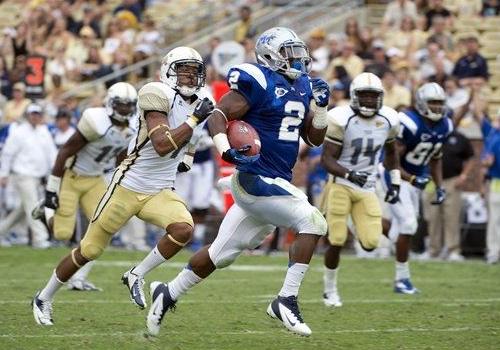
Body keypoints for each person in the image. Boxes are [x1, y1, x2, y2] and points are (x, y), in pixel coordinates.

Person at [144, 27, 330, 337]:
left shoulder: (304, 86)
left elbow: (312, 138)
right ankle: (286, 299)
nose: (297, 58)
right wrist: (225, 150)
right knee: (314, 222)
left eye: (298, 51)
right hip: (255, 179)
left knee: (220, 255)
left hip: (274, 183)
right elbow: (218, 114)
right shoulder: (256, 80)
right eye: (289, 52)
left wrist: (322, 109)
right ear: (270, 55)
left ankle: (168, 292)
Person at [31, 46, 215, 326]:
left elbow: (189, 143)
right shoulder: (156, 93)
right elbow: (163, 145)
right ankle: (43, 297)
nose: (190, 77)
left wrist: (187, 159)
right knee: (88, 251)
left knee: (183, 229)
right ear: (168, 71)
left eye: (194, 72)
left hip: (160, 189)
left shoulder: (202, 100)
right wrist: (193, 120)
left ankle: (136, 274)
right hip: (127, 186)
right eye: (183, 70)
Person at [31, 82, 137, 291]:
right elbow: (64, 153)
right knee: (62, 234)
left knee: (105, 227)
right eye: (121, 105)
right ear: (111, 104)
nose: (124, 110)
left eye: (128, 105)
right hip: (72, 176)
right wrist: (52, 190)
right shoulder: (95, 121)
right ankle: (46, 212)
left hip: (96, 178)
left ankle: (79, 278)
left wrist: (119, 181)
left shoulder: (134, 125)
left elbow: (121, 156)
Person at [320, 72, 401, 307]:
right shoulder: (340, 118)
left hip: (367, 186)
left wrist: (394, 182)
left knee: (371, 242)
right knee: (336, 239)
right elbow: (327, 159)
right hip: (341, 184)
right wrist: (348, 173)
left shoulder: (388, 119)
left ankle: (356, 223)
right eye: (363, 96)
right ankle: (330, 289)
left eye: (372, 96)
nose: (368, 100)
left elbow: (393, 154)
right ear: (354, 97)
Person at [381, 82, 453, 294]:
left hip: (415, 179)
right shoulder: (409, 123)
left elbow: (436, 157)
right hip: (395, 176)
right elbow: (390, 162)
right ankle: (402, 280)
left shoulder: (445, 125)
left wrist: (439, 186)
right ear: (421, 103)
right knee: (409, 225)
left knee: (401, 230)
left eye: (440, 103)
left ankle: (366, 221)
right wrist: (411, 179)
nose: (437, 107)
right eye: (433, 102)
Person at [0, 103, 57, 248]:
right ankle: (40, 239)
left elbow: (52, 154)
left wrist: (54, 173)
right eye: (33, 114)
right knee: (32, 205)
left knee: (23, 210)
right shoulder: (19, 132)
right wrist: (4, 174)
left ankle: (1, 231)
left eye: (38, 114)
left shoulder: (44, 131)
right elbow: (7, 153)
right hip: (23, 175)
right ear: (27, 115)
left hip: (38, 177)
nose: (35, 116)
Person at [424, 129, 474, 261]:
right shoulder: (427, 134)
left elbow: (470, 158)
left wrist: (464, 176)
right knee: (432, 217)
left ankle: (453, 250)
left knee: (451, 216)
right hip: (431, 181)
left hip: (452, 181)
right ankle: (433, 250)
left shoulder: (459, 137)